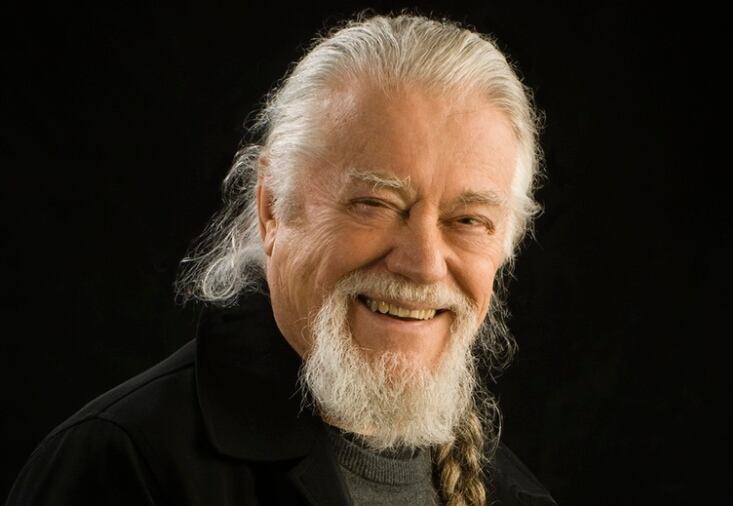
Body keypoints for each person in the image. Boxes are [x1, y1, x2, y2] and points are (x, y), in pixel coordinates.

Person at [7, 14, 556, 506]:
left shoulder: (514, 495)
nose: (423, 263)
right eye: (376, 204)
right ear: (272, 207)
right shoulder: (123, 464)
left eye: (467, 221)